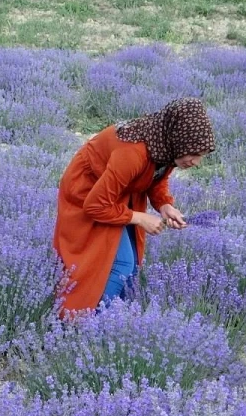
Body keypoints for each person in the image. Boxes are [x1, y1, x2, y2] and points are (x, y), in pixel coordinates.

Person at [53, 97, 216, 315]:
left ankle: (112, 319)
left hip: (116, 193)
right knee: (121, 264)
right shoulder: (133, 152)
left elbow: (156, 176)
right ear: (179, 140)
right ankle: (88, 324)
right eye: (194, 154)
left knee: (130, 267)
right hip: (87, 192)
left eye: (201, 156)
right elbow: (95, 205)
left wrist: (164, 205)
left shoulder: (164, 144)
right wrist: (139, 218)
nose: (196, 163)